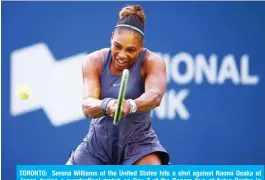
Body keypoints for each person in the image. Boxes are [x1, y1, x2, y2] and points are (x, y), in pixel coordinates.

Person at [66, 4, 169, 165]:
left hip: (139, 146)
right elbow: (87, 106)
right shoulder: (94, 61)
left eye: (131, 50)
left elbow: (155, 96)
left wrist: (130, 105)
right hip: (96, 148)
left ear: (141, 47)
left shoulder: (152, 62)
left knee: (152, 172)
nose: (122, 55)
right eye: (117, 46)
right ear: (112, 37)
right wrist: (108, 105)